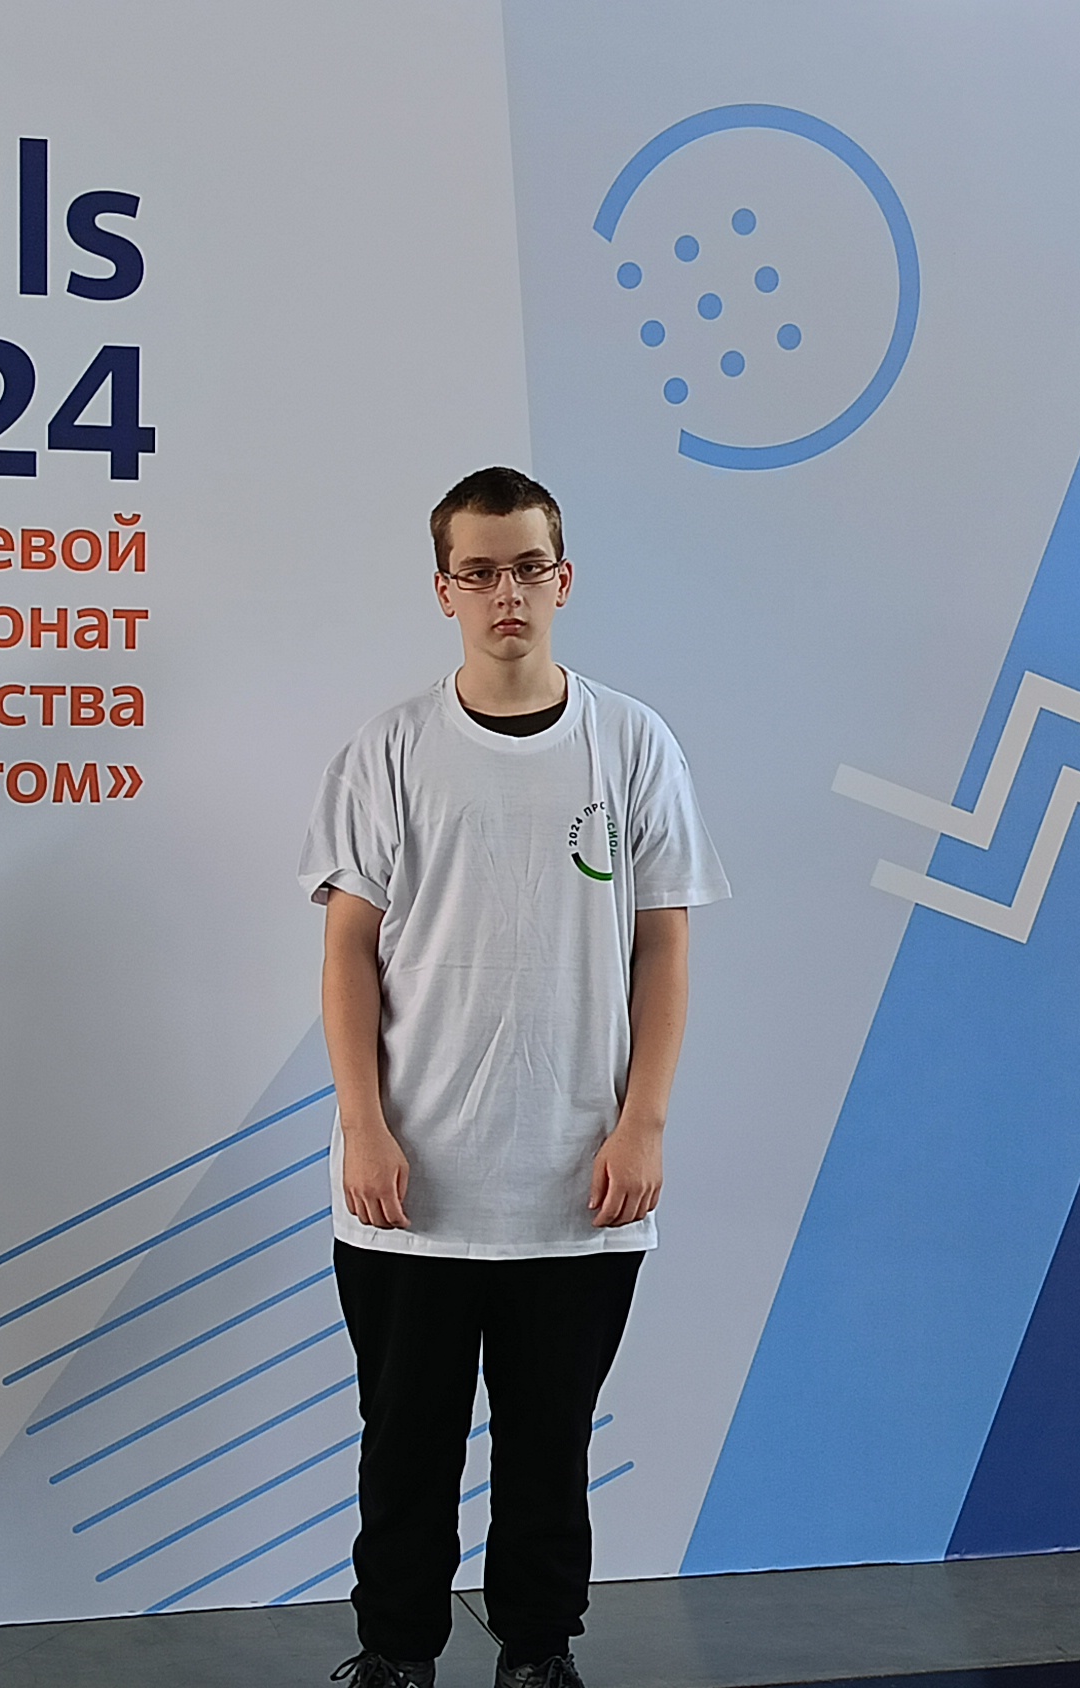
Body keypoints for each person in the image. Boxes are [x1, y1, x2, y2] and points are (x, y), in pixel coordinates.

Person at [300, 467, 726, 1688]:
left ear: (563, 580)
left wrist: (643, 1124)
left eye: (527, 568)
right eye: (479, 572)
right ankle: (396, 1654)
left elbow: (662, 946)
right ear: (443, 590)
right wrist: (362, 1124)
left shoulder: (630, 743)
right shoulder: (388, 751)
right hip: (410, 1181)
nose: (506, 594)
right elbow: (346, 949)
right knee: (406, 1444)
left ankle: (538, 1652)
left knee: (550, 1444)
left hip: (576, 1177)